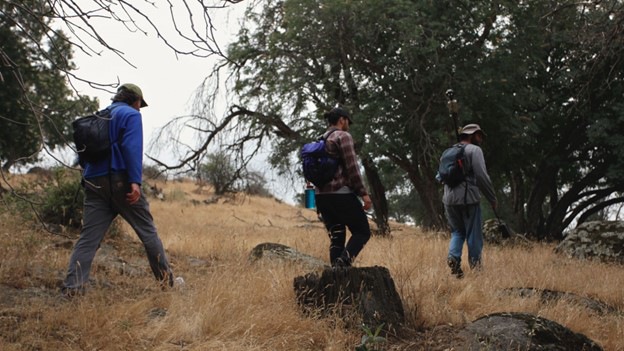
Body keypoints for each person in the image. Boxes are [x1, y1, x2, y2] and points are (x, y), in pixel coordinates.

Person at [62, 83, 174, 296]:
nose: (140, 108)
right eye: (140, 104)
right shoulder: (131, 115)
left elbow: (82, 154)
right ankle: (167, 284)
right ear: (136, 100)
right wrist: (134, 181)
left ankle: (72, 289)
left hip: (94, 182)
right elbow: (132, 148)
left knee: (88, 239)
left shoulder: (100, 115)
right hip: (120, 181)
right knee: (148, 232)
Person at [315, 107, 373, 268]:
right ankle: (343, 264)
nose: (348, 125)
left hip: (321, 196)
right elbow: (352, 166)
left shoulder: (320, 139)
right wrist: (364, 194)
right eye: (348, 121)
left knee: (337, 236)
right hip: (341, 194)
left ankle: (336, 276)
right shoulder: (343, 136)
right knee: (362, 232)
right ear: (342, 120)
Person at [442, 123, 497, 278]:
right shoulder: (475, 150)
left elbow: (440, 176)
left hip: (448, 200)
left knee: (457, 232)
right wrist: (492, 198)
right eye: (479, 135)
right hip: (468, 200)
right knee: (474, 234)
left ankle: (453, 257)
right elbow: (482, 176)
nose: (481, 139)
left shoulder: (448, 151)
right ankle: (476, 269)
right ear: (472, 135)